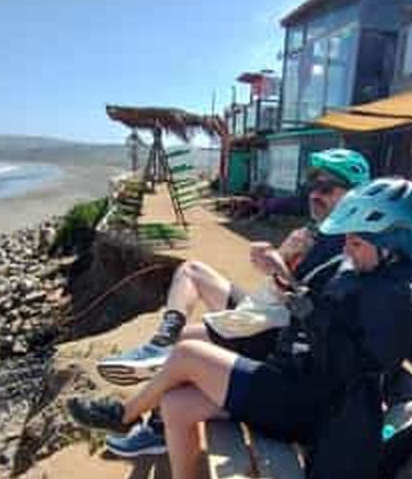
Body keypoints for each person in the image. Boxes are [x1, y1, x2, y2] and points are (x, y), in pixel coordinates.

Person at [69, 178, 412, 479]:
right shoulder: (366, 270)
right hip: (288, 379)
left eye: (355, 242)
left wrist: (309, 312)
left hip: (308, 406)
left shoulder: (403, 298)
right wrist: (296, 296)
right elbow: (319, 313)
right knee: (176, 404)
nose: (347, 249)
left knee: (188, 355)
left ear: (391, 243)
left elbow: (350, 369)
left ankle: (126, 414)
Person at [98, 147, 371, 458]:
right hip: (265, 311)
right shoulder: (316, 232)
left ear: (354, 195)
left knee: (186, 344)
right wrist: (276, 258)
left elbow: (312, 314)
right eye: (312, 186)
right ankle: (160, 342)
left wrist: (281, 270)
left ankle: (152, 422)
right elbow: (279, 284)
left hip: (276, 334)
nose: (314, 195)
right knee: (191, 271)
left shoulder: (351, 246)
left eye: (326, 188)